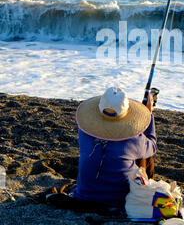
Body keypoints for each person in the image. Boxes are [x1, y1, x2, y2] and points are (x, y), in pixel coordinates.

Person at [46, 86, 156, 215]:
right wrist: (149, 116)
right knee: (145, 155)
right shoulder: (134, 140)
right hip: (119, 201)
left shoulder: (84, 132)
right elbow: (152, 146)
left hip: (84, 195)